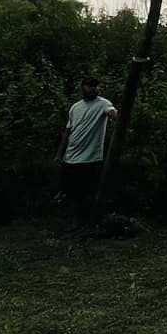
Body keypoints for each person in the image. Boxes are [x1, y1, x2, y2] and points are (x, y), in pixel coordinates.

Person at [58, 74, 118, 236]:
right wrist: (59, 154)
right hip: (71, 157)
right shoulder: (75, 107)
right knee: (72, 192)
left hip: (91, 158)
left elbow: (112, 113)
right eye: (89, 85)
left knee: (89, 192)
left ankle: (91, 223)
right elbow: (68, 131)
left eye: (95, 86)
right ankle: (74, 222)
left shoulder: (104, 103)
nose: (93, 89)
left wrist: (114, 116)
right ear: (83, 87)